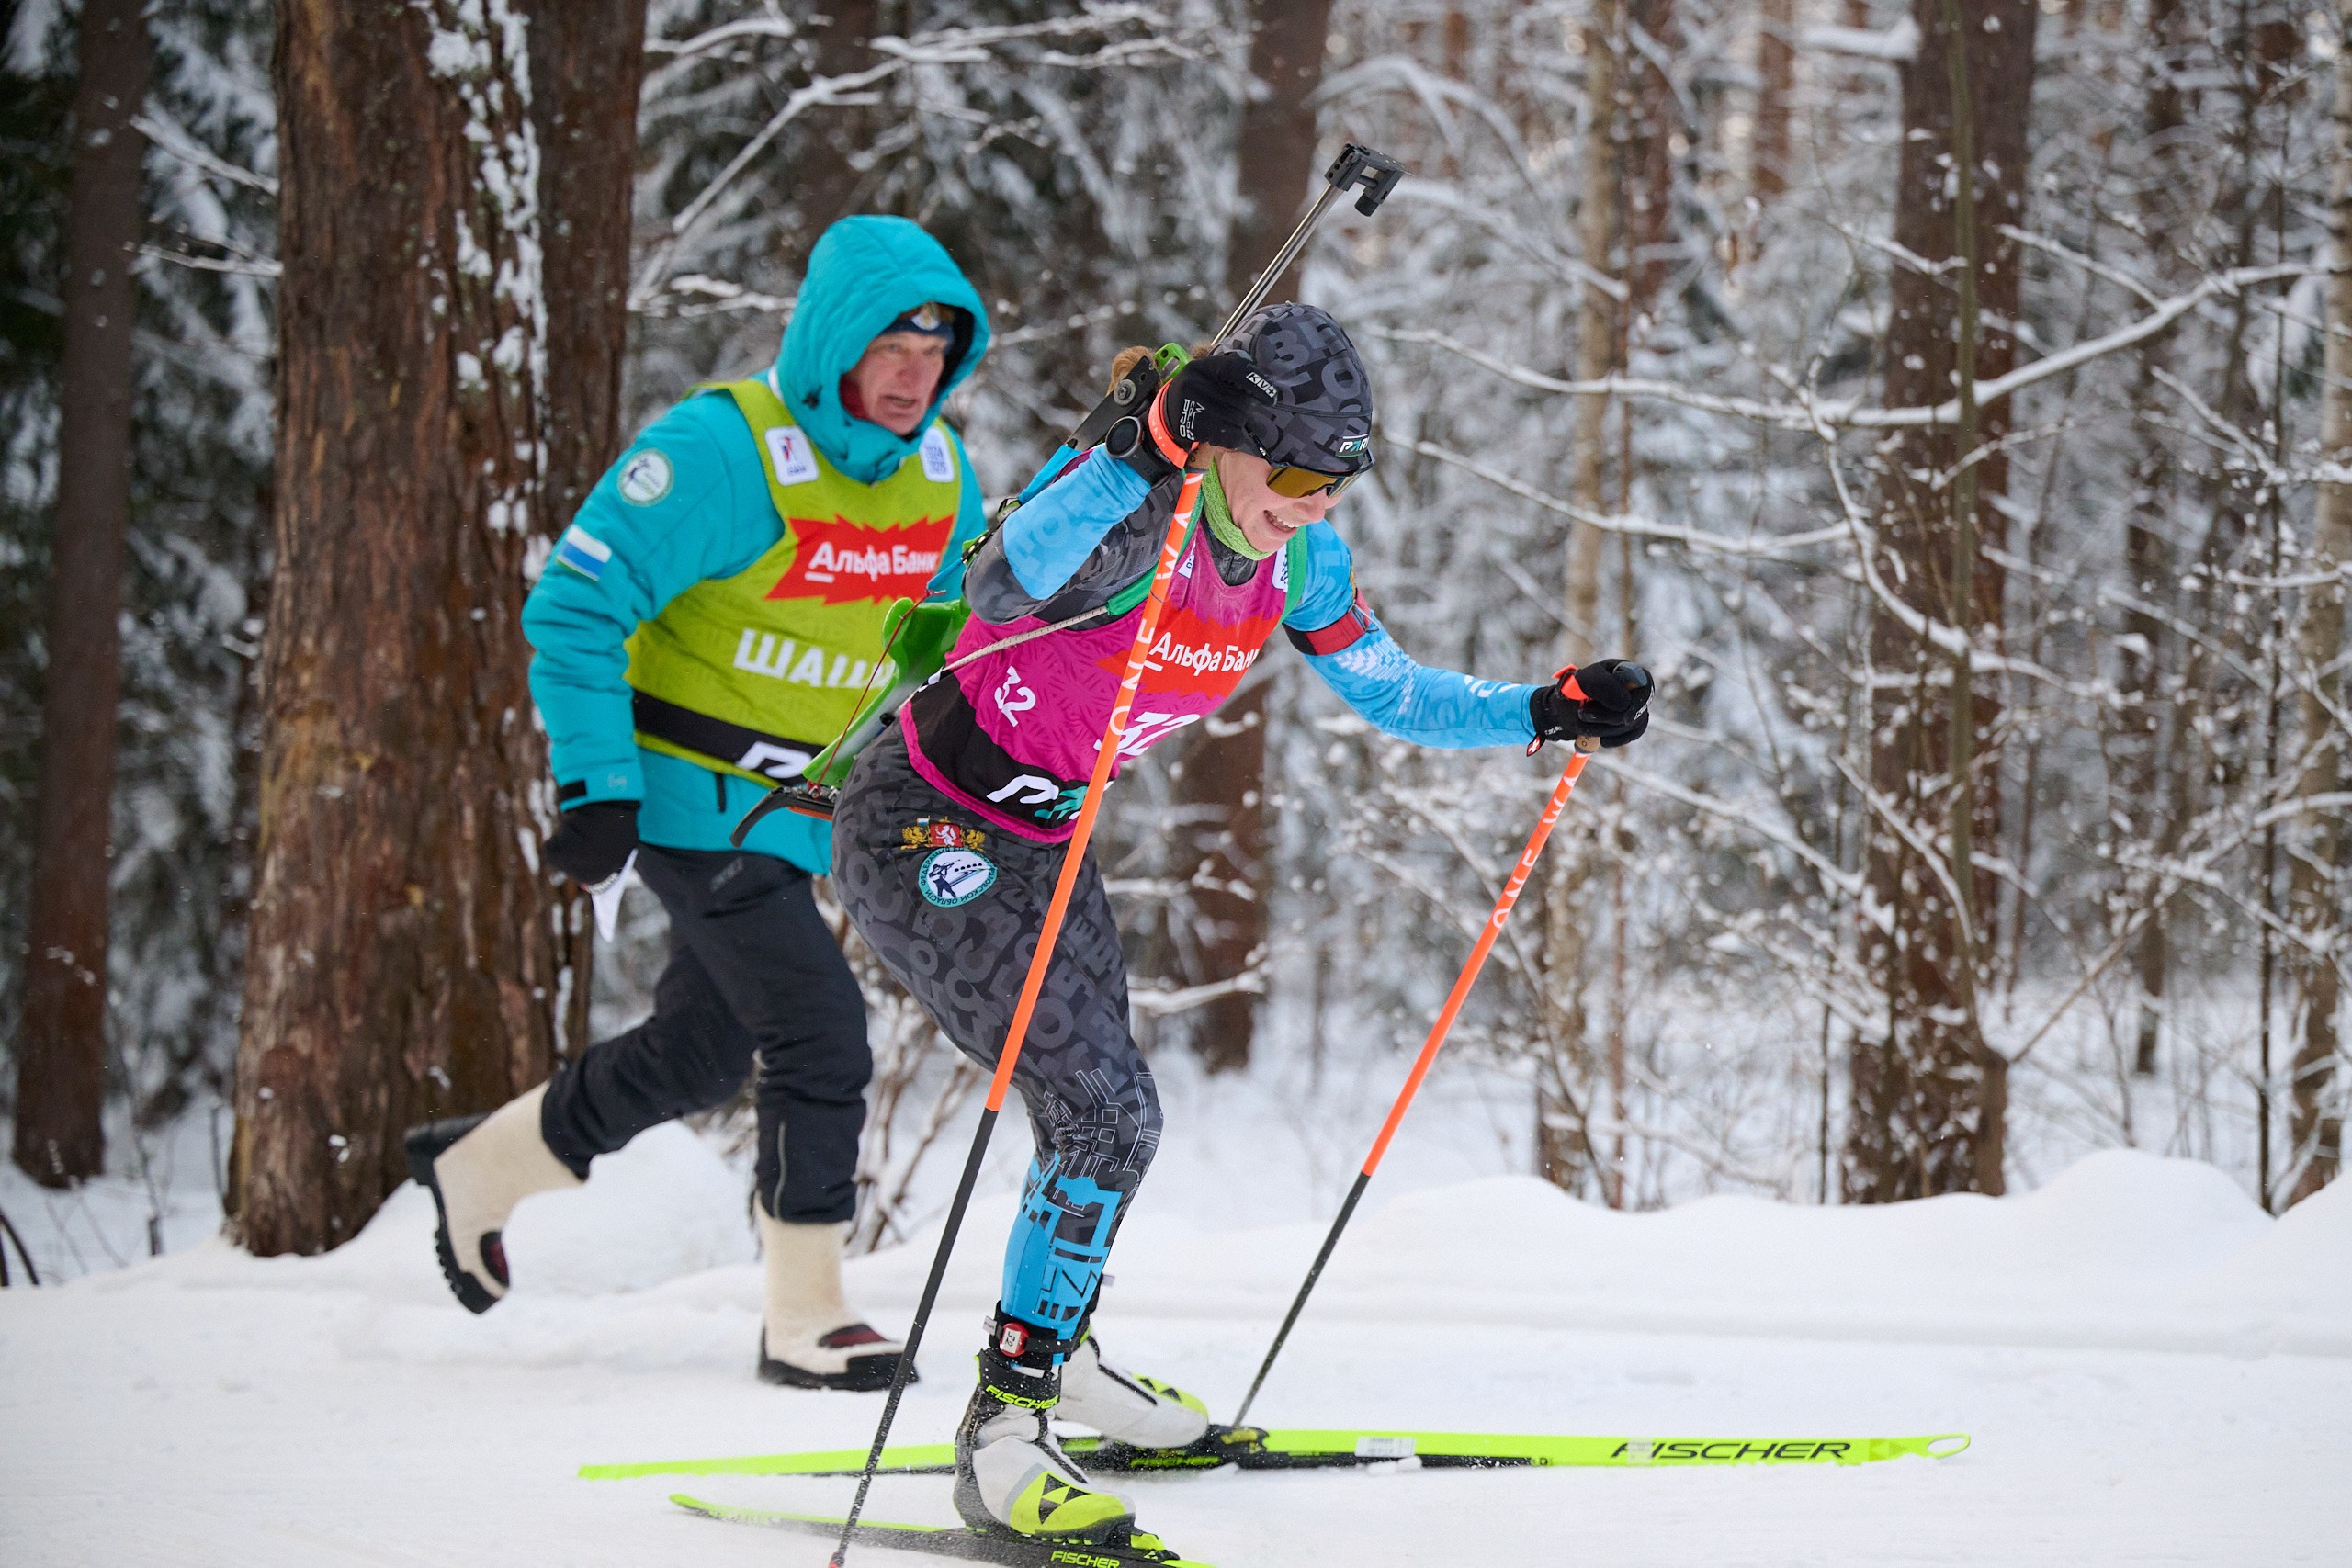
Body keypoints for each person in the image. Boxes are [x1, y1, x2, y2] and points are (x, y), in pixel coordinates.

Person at [829, 302, 1651, 1546]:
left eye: (1339, 481)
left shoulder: (1296, 561)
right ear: (1227, 444)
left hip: (1045, 842)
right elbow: (999, 584)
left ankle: (1063, 1357)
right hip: (925, 825)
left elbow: (1393, 690)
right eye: (1299, 474)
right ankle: (1003, 1431)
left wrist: (1543, 707)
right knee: (1108, 1113)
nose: (1313, 504)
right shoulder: (1133, 513)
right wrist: (1142, 447)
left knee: (1100, 1117)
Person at [403, 216, 992, 1393]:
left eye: (935, 355)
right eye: (890, 348)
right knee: (819, 1031)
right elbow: (575, 607)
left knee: (701, 1052)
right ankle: (807, 1317)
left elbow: (959, 636)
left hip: (800, 814)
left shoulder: (938, 476)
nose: (913, 376)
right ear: (831, 344)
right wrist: (596, 787)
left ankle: (479, 1166)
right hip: (684, 798)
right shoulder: (723, 451)